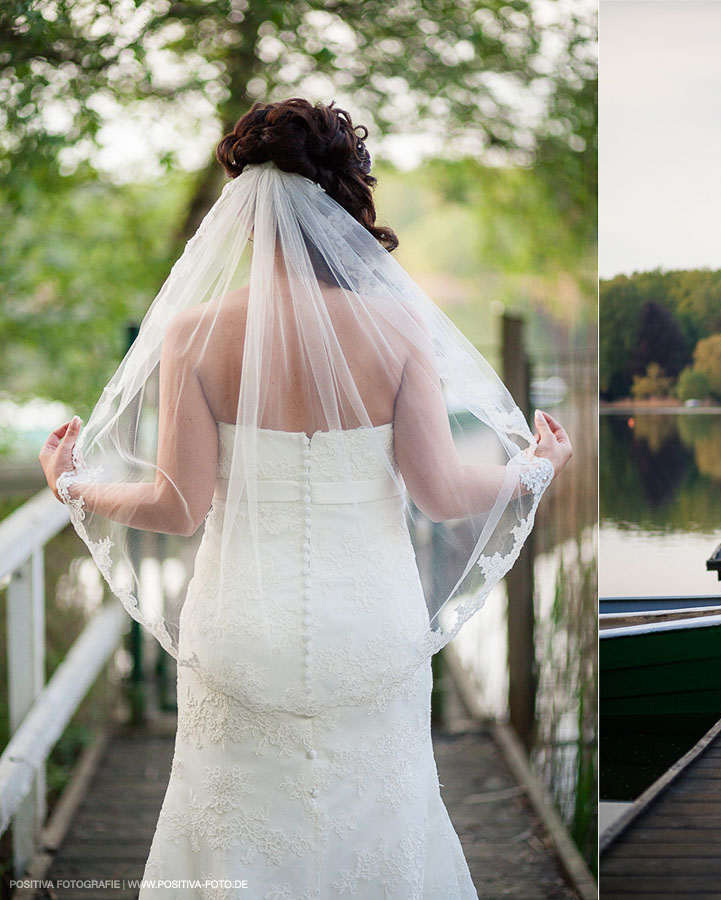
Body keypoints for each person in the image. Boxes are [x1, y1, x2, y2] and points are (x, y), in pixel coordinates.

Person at [38, 98, 572, 898]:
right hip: (370, 625)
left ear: (246, 213)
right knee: (381, 821)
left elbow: (176, 510)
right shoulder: (396, 327)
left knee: (233, 832)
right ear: (345, 199)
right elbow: (441, 492)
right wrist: (535, 466)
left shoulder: (192, 335)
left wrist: (74, 483)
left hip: (241, 625)